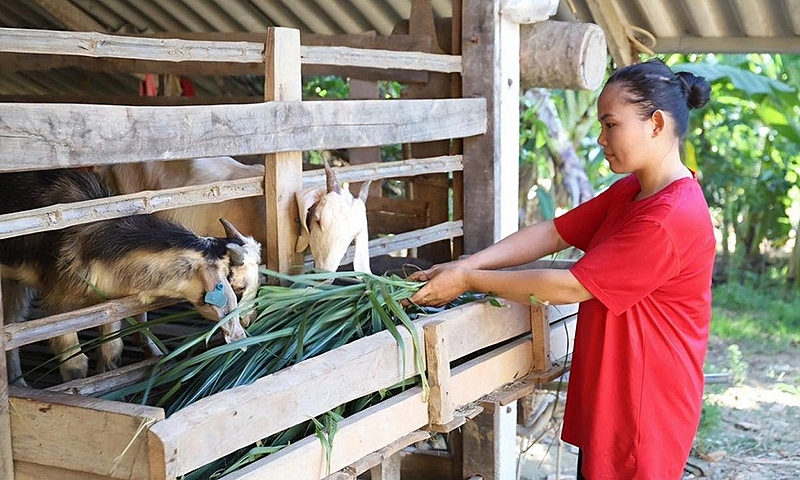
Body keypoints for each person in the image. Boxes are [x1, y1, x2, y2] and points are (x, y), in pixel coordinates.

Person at [408, 58, 715, 479]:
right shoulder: (634, 191)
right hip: (617, 392)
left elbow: (572, 286)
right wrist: (469, 263)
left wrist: (468, 281)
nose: (601, 138)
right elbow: (555, 232)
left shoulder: (669, 217)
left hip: (644, 406)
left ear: (656, 123)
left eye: (611, 124)